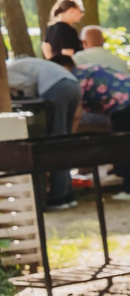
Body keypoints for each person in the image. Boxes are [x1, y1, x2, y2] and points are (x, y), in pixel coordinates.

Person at [6, 51, 80, 208]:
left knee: (54, 143)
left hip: (56, 87)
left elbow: (27, 87)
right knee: (63, 140)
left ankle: (58, 196)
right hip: (73, 85)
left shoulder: (8, 72)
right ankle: (67, 193)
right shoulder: (27, 64)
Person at [74, 57, 130, 196]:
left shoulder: (75, 78)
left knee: (122, 146)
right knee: (124, 143)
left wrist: (71, 131)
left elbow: (77, 112)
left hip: (127, 106)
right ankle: (120, 175)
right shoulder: (89, 67)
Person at [41, 0, 82, 66]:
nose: (81, 14)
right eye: (80, 11)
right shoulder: (68, 30)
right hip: (68, 67)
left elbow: (45, 46)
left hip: (56, 67)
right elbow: (67, 52)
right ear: (71, 10)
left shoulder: (51, 28)